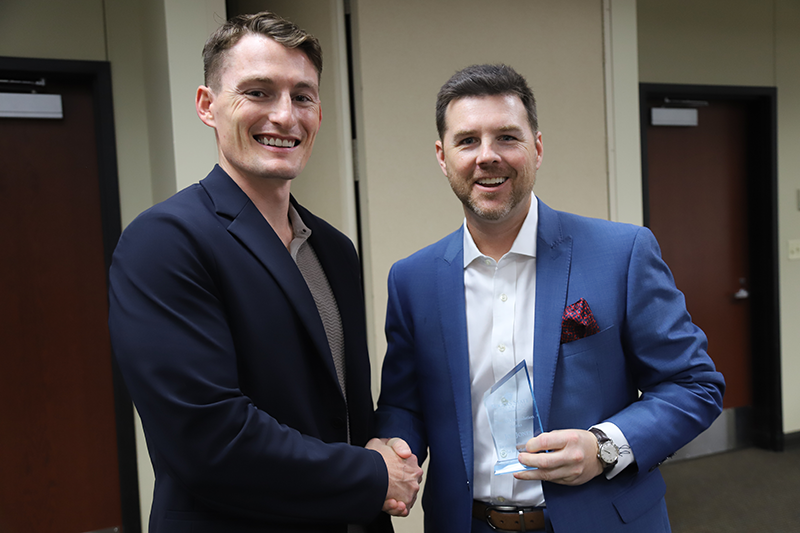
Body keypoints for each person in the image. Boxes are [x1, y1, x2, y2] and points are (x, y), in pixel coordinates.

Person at [375, 64, 725, 532]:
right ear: (442, 156)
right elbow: (405, 404)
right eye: (467, 141)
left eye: (506, 137)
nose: (487, 156)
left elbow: (694, 386)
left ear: (537, 148)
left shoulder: (622, 253)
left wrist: (605, 447)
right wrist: (393, 451)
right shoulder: (412, 280)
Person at [108, 12, 421, 533]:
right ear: (208, 106)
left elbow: (344, 414)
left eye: (302, 96)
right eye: (258, 92)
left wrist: (384, 447)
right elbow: (209, 439)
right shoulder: (164, 241)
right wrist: (370, 473)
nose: (285, 116)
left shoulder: (335, 250)